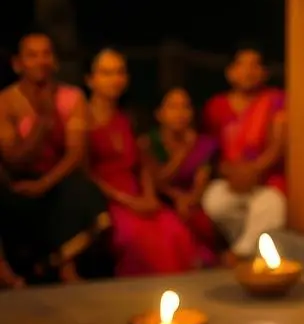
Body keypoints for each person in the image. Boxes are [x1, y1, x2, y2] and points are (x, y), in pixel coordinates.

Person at [0, 31, 109, 283]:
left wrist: (44, 184)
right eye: (32, 55)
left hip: (56, 178)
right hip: (19, 181)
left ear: (55, 61)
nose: (41, 61)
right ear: (18, 64)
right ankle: (8, 273)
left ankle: (63, 265)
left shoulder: (72, 97)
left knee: (84, 193)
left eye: (46, 54)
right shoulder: (6, 101)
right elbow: (13, 159)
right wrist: (43, 124)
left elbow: (75, 153)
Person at [86, 49, 200, 276]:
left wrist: (148, 196)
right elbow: (87, 173)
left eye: (119, 72)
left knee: (175, 231)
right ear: (90, 79)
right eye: (106, 73)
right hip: (107, 197)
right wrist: (128, 201)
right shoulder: (83, 119)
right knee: (137, 239)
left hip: (138, 193)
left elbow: (143, 165)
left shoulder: (129, 117)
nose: (115, 79)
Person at [200, 46, 287, 265]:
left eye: (255, 65)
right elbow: (212, 151)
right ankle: (251, 245)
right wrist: (230, 173)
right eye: (242, 64)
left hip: (266, 180)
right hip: (232, 181)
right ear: (230, 72)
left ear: (264, 72)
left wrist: (253, 170)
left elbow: (278, 145)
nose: (248, 71)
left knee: (270, 207)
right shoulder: (216, 106)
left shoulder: (275, 100)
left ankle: (238, 254)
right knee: (214, 201)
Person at [145, 87, 219, 267]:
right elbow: (157, 181)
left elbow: (201, 181)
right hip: (162, 200)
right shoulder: (148, 143)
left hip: (192, 202)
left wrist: (190, 198)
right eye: (173, 107)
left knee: (202, 221)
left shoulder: (204, 144)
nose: (180, 113)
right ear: (160, 114)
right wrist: (181, 153)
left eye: (185, 107)